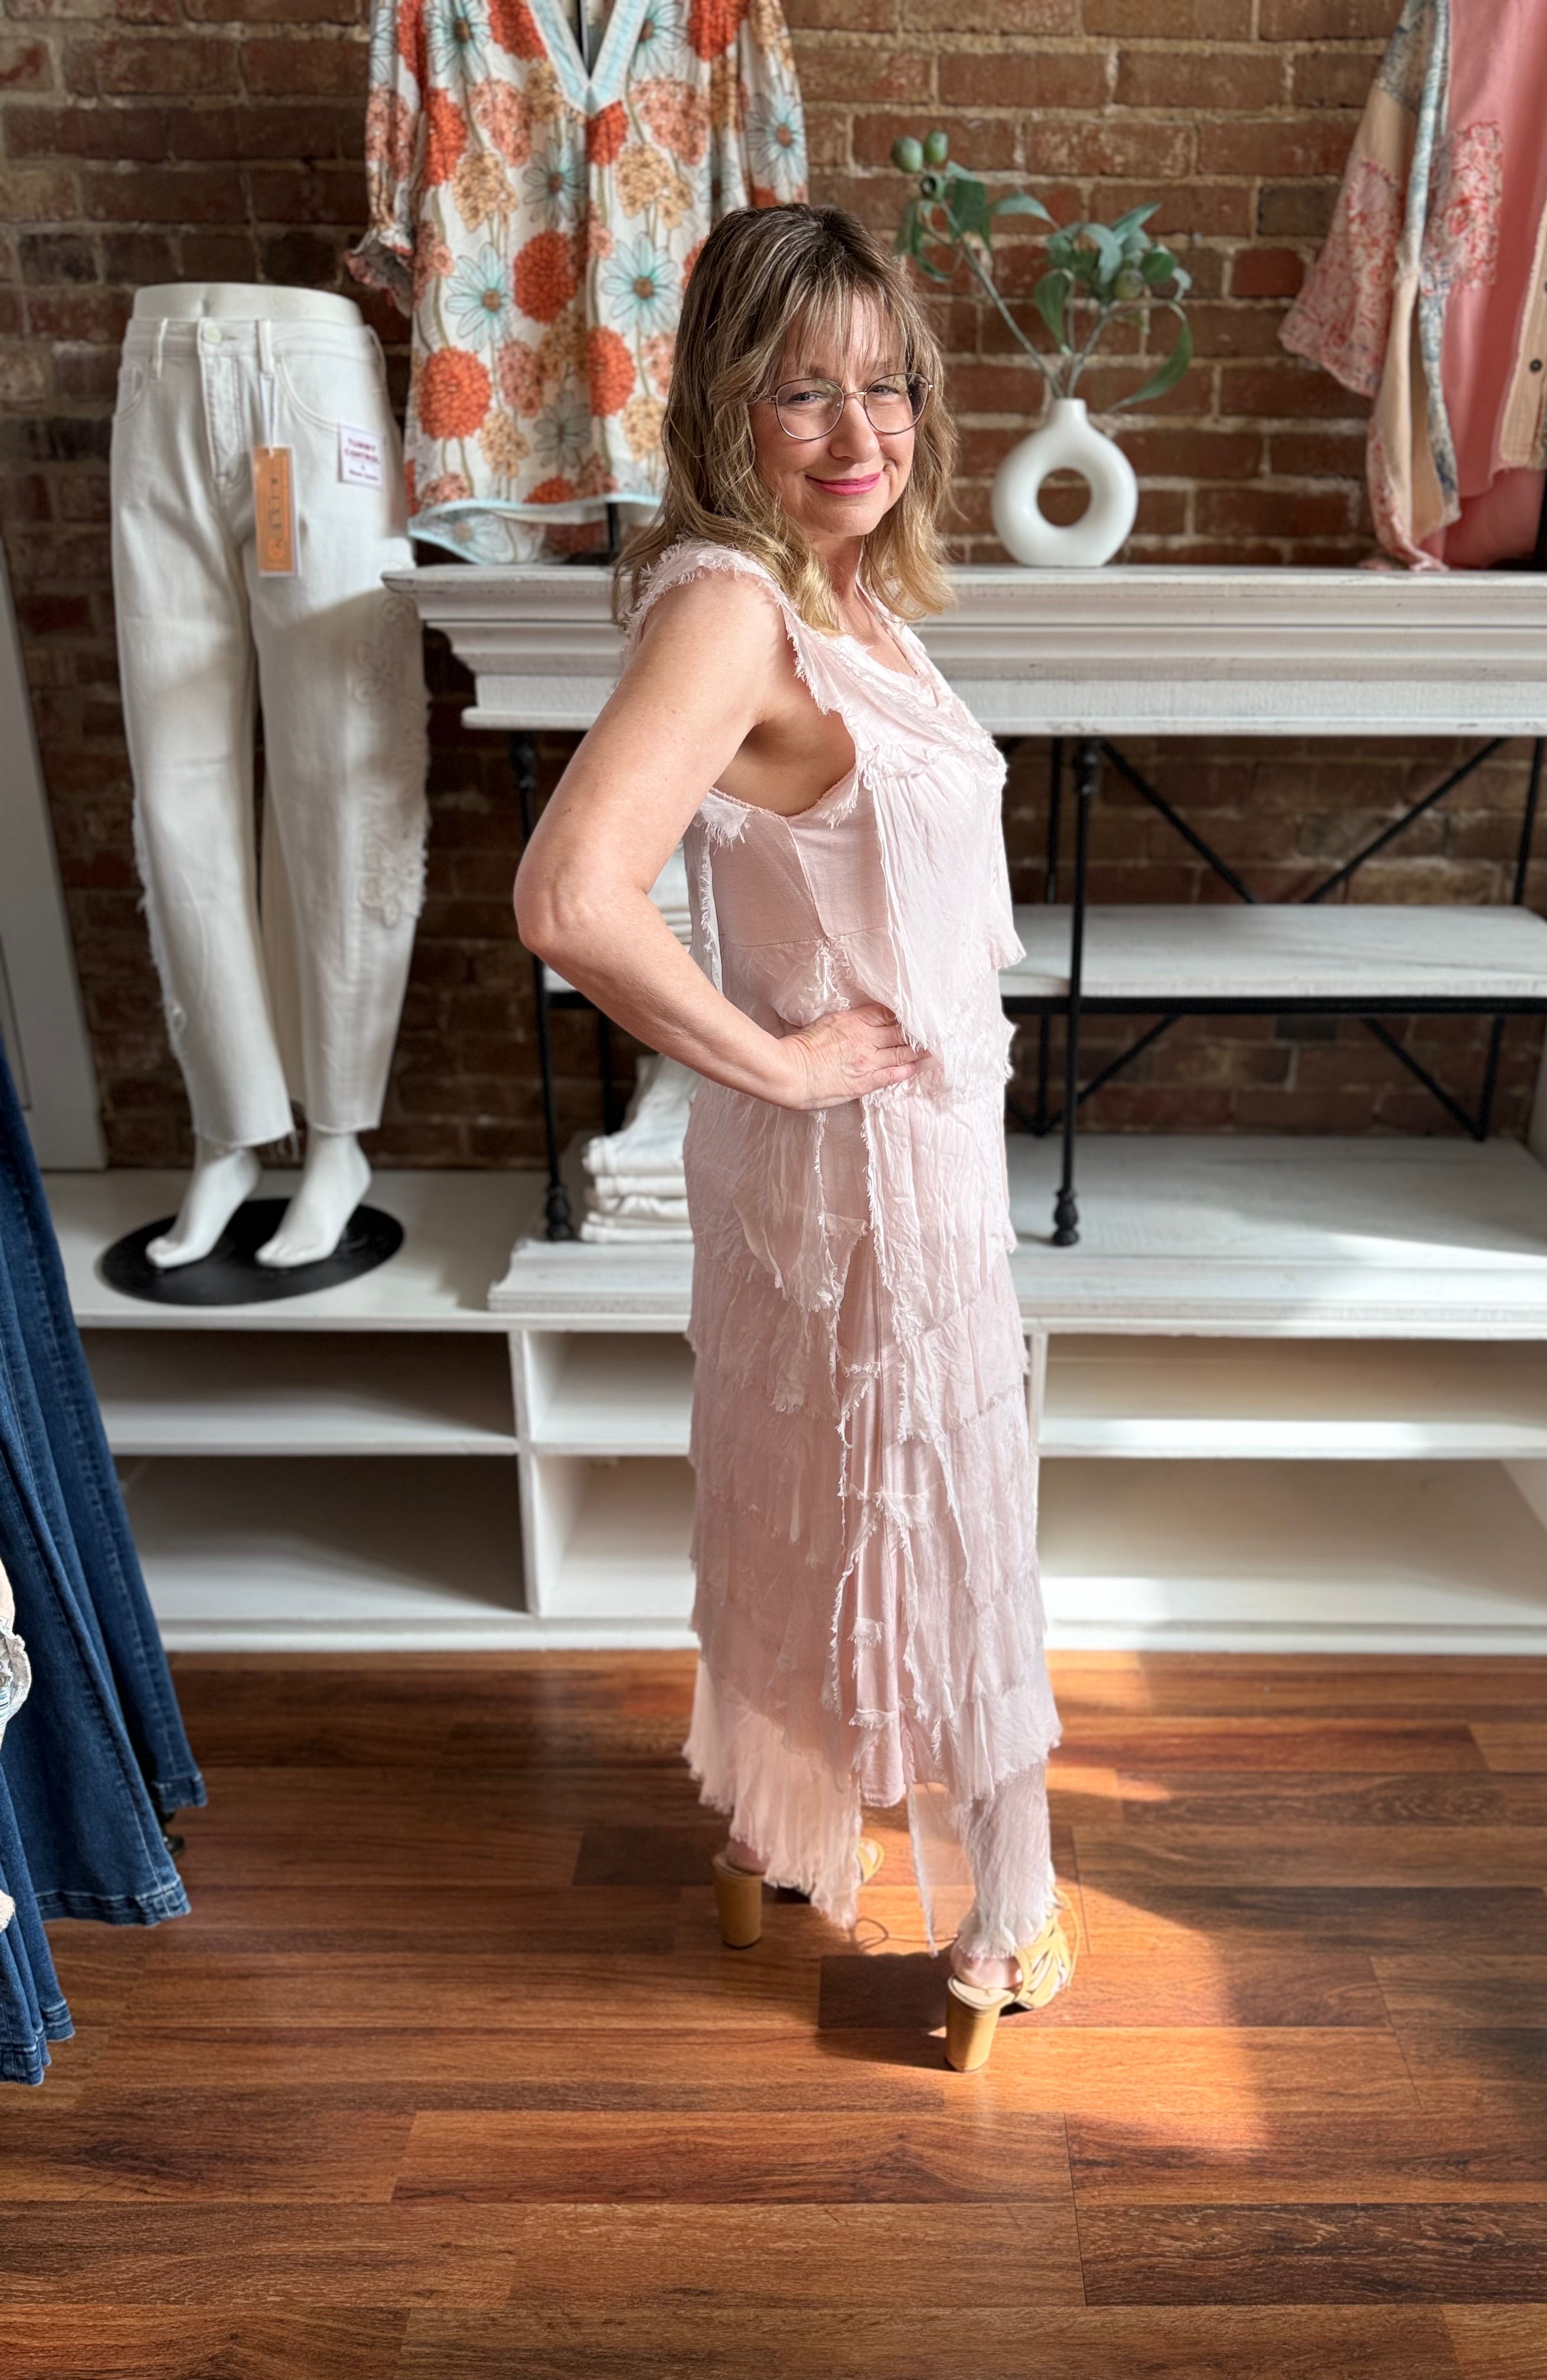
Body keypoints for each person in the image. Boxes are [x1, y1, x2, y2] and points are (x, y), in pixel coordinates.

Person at [514, 202, 1073, 2071]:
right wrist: (774, 1061)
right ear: (723, 406)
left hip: (887, 1169)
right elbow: (571, 897)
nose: (860, 434)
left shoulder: (847, 599)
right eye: (802, 394)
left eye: (886, 388)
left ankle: (770, 1827)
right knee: (942, 1513)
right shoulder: (735, 605)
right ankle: (1021, 1909)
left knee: (814, 1502)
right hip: (860, 1170)